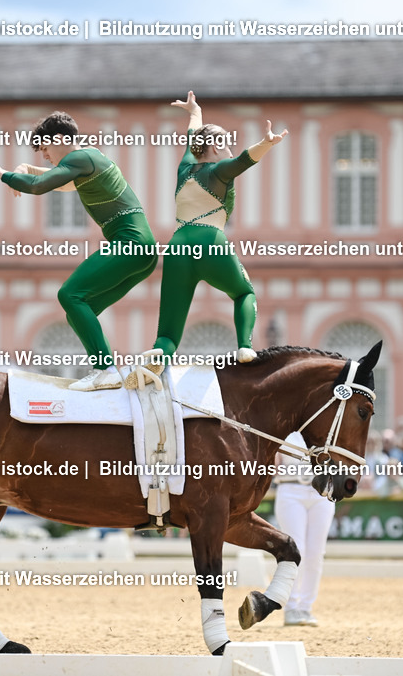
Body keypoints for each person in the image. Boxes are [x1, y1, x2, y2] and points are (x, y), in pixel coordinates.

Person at [0, 111, 158, 391]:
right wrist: (25, 168)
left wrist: (2, 173)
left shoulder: (80, 157)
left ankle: (105, 369)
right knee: (79, 313)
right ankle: (109, 371)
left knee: (68, 294)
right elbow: (63, 184)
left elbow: (38, 188)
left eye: (45, 148)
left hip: (130, 243)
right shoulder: (90, 157)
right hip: (143, 251)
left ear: (60, 138)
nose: (45, 155)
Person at [127, 92, 288, 386]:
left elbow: (192, 136)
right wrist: (268, 142)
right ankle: (245, 347)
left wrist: (195, 111)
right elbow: (244, 160)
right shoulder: (219, 171)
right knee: (243, 293)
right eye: (225, 142)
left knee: (168, 331)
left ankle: (158, 358)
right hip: (209, 241)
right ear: (214, 147)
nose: (229, 147)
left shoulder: (185, 167)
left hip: (177, 246)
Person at [273, 432, 334, 627]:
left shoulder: (327, 428)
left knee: (316, 554)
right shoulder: (285, 430)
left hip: (321, 491)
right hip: (290, 490)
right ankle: (291, 608)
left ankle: (306, 607)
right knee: (296, 550)